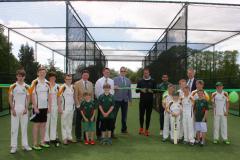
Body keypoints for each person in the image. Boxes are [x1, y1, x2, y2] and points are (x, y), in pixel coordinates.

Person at [9, 69, 32, 154]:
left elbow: (28, 98)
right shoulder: (12, 86)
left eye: (22, 76)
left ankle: (25, 145)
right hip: (15, 110)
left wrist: (26, 108)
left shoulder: (27, 87)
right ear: (16, 76)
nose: (20, 78)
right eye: (19, 76)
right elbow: (10, 98)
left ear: (24, 77)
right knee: (14, 128)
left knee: (24, 128)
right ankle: (14, 146)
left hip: (24, 110)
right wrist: (12, 109)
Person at [30, 66, 51, 150]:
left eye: (44, 72)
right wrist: (35, 107)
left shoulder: (48, 83)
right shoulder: (34, 82)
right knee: (36, 125)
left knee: (43, 125)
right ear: (38, 73)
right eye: (41, 72)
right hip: (37, 108)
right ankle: (35, 143)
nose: (42, 73)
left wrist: (49, 106)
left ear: (45, 73)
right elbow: (32, 94)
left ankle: (42, 142)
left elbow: (49, 96)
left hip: (45, 107)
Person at [74, 70, 94, 142]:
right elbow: (75, 95)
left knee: (87, 121)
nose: (86, 76)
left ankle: (86, 137)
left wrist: (92, 105)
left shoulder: (91, 83)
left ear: (88, 76)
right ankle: (78, 137)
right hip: (80, 106)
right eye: (84, 75)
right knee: (78, 122)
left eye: (87, 75)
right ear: (82, 75)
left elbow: (92, 96)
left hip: (89, 107)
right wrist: (78, 105)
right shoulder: (77, 83)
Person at [136, 68, 156, 136]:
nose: (145, 74)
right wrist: (141, 90)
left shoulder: (153, 81)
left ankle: (146, 130)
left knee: (148, 116)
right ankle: (141, 128)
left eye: (147, 73)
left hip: (150, 102)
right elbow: (136, 90)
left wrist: (151, 91)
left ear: (149, 73)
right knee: (141, 115)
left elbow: (156, 90)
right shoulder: (140, 81)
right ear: (143, 73)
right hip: (142, 101)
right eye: (144, 73)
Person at [95, 67, 114, 138]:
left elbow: (112, 91)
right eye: (106, 72)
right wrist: (102, 101)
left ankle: (110, 134)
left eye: (108, 72)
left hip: (110, 103)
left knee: (110, 119)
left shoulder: (112, 81)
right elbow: (97, 93)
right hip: (102, 104)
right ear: (103, 72)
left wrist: (110, 100)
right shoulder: (99, 81)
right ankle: (99, 134)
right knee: (100, 119)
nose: (107, 73)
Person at [113, 67, 132, 134]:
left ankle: (123, 129)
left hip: (125, 101)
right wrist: (114, 87)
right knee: (114, 115)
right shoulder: (115, 79)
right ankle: (112, 129)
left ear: (126, 72)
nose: (123, 72)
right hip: (116, 100)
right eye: (121, 71)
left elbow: (129, 91)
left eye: (124, 71)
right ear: (120, 72)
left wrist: (130, 100)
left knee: (124, 116)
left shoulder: (128, 80)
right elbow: (111, 88)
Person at [58, 74, 75, 145]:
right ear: (65, 80)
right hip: (64, 108)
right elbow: (58, 97)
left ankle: (69, 137)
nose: (69, 80)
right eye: (67, 79)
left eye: (70, 79)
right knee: (64, 124)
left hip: (71, 108)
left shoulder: (72, 87)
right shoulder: (62, 87)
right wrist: (59, 107)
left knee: (69, 123)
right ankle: (64, 138)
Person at [45, 72, 60, 147]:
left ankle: (53, 138)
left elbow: (59, 97)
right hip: (47, 106)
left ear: (55, 78)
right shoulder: (46, 85)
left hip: (55, 107)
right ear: (49, 78)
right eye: (51, 77)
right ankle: (46, 139)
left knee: (54, 122)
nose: (52, 78)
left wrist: (59, 106)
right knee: (47, 122)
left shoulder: (58, 86)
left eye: (54, 77)